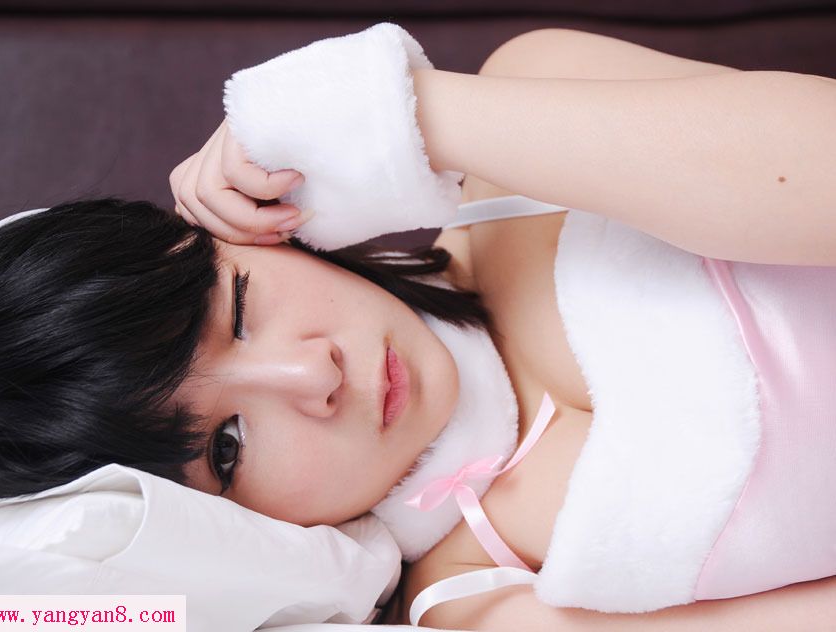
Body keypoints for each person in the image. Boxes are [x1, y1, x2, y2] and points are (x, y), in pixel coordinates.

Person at [167, 28, 836, 630]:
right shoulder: (472, 597)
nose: (313, 374)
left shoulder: (527, 94)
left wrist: (380, 114)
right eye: (227, 446)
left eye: (241, 308)